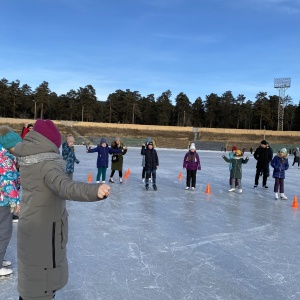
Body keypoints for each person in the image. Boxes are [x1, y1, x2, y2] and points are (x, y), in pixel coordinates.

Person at [14, 119, 110, 300]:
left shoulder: (30, 160)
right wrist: (93, 190)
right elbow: (65, 186)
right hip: (43, 234)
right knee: (41, 286)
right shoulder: (48, 165)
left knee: (31, 282)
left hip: (31, 227)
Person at [0, 126, 21, 277]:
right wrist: (16, 202)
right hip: (3, 202)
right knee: (4, 232)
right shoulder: (5, 159)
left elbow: (12, 177)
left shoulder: (5, 156)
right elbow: (7, 182)